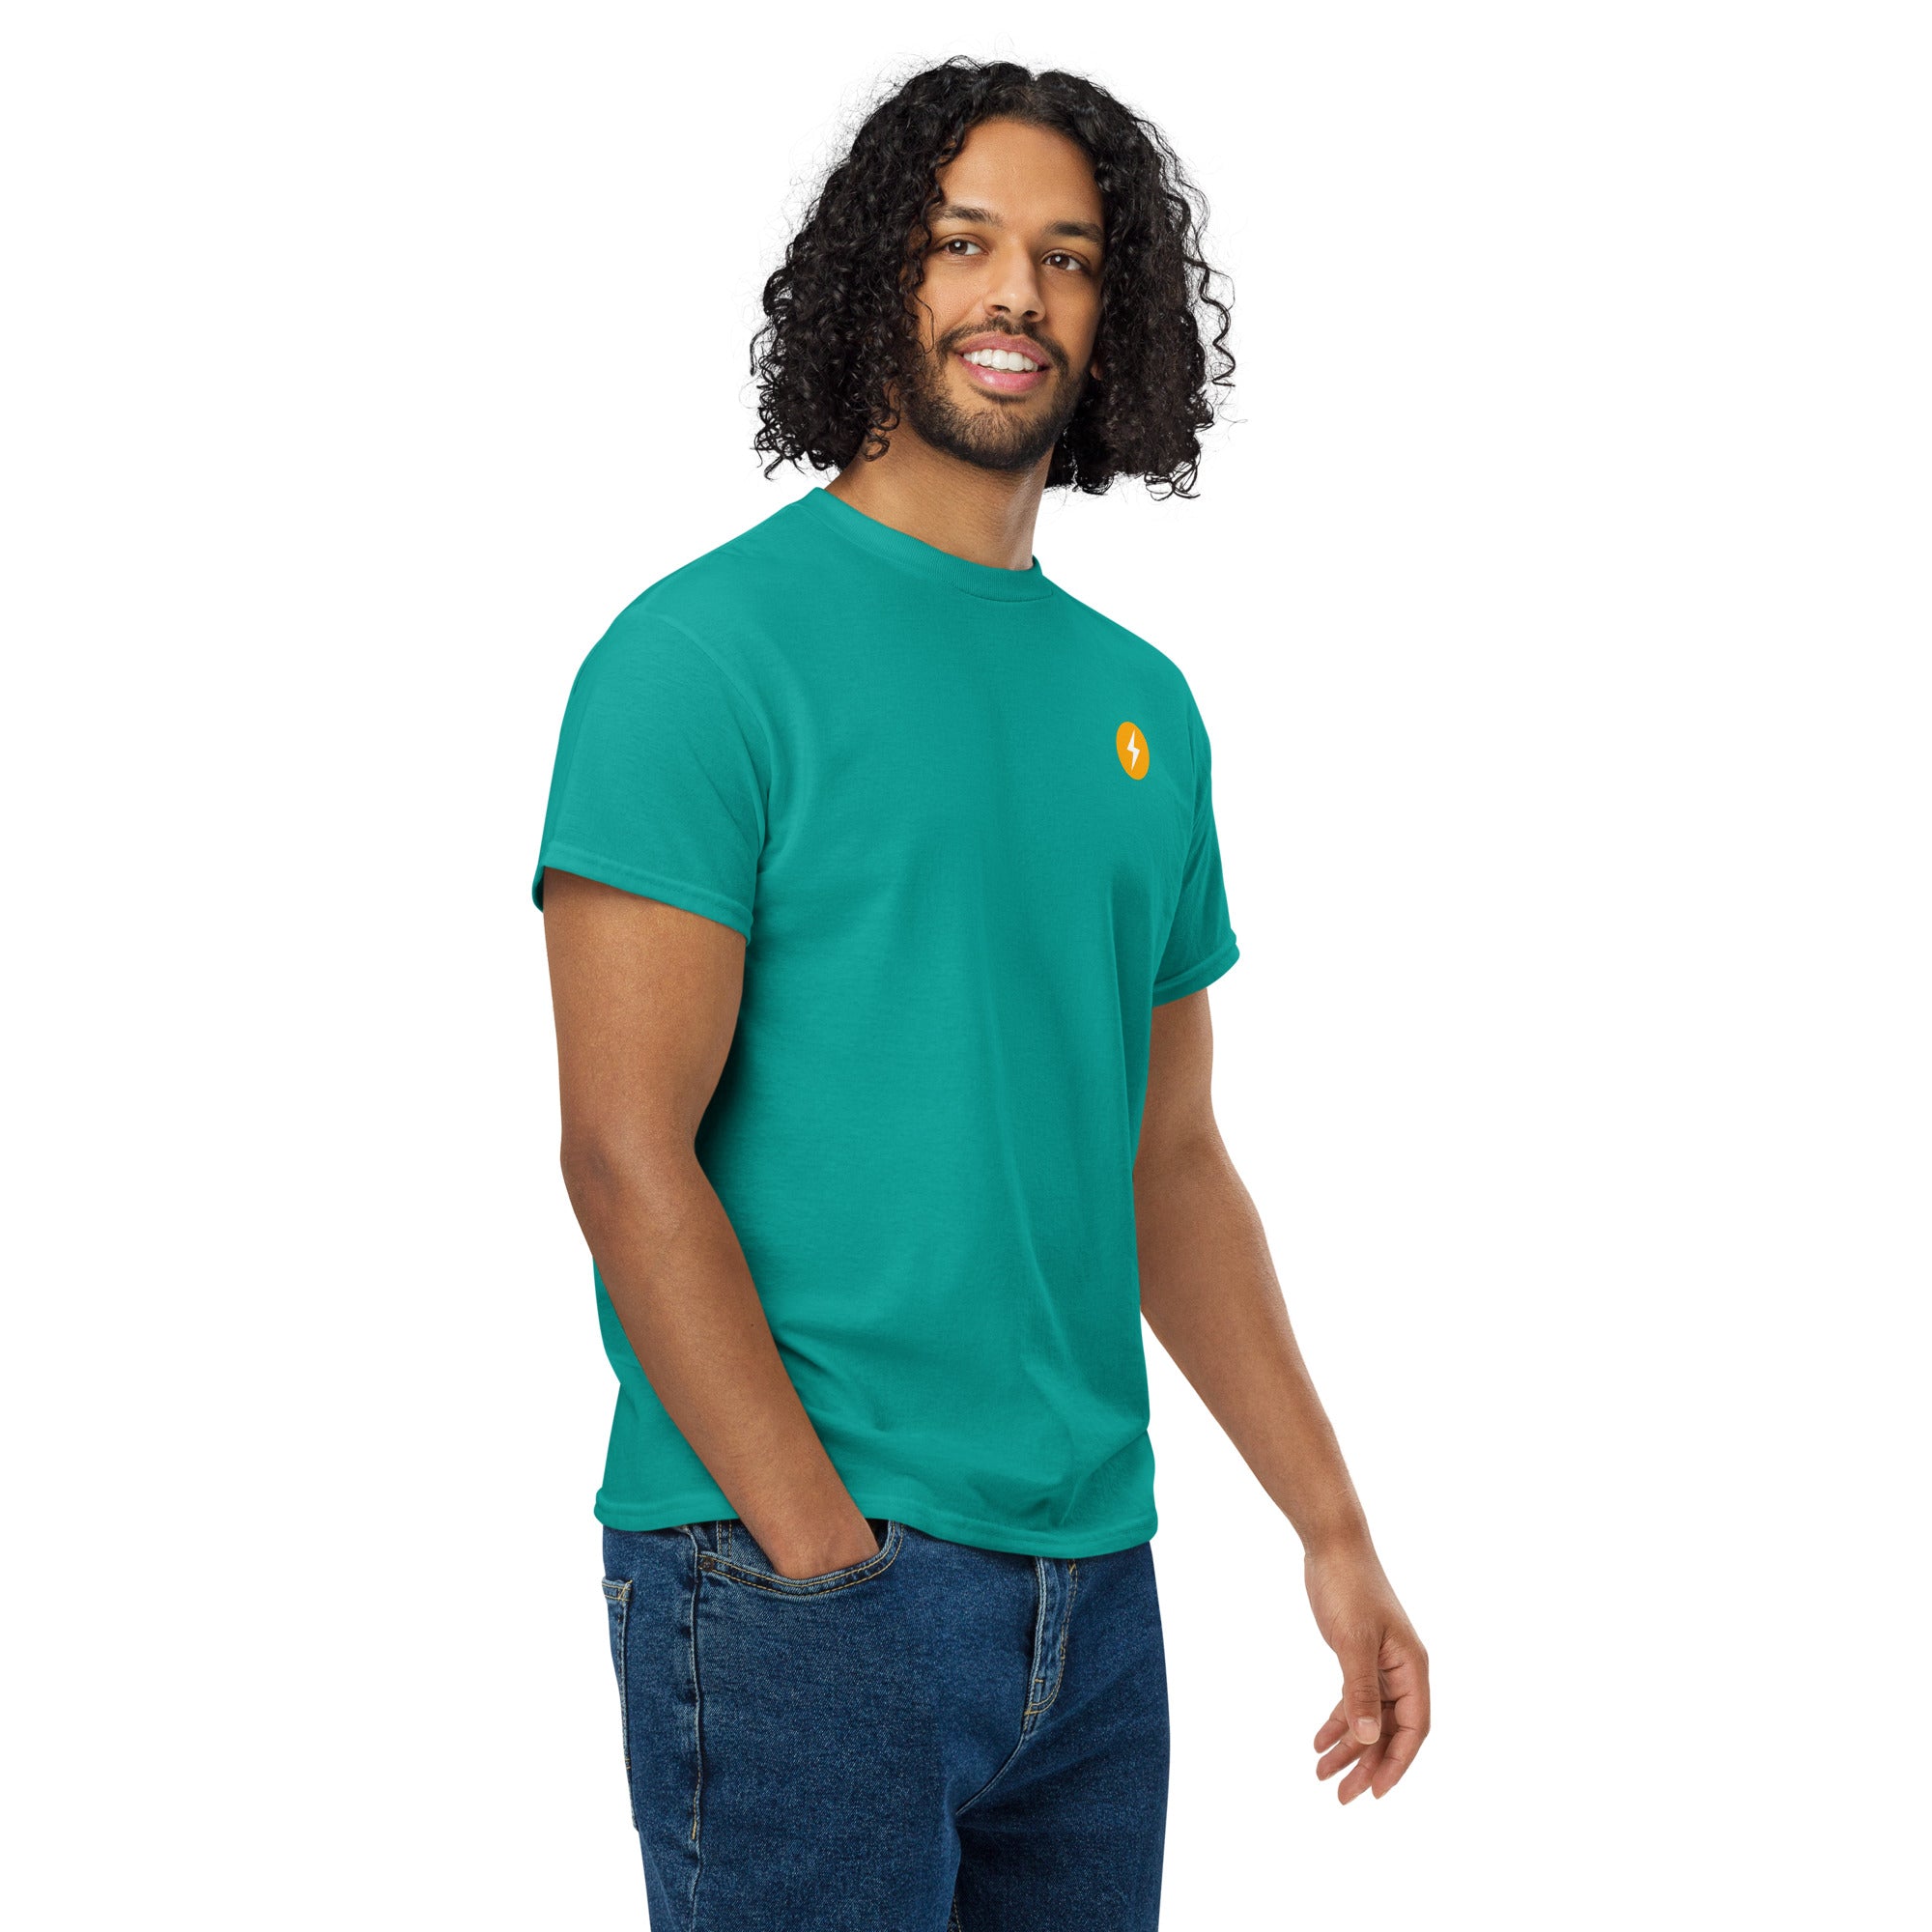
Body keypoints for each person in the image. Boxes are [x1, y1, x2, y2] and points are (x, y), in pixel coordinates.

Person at [533, 56, 1430, 1931]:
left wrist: (1330, 1526)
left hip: (1092, 1595)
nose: (1015, 291)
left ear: (1117, 315)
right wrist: (820, 1560)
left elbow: (1165, 1159)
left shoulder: (1141, 707)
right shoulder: (699, 658)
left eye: (1067, 256)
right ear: (882, 275)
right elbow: (624, 1155)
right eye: (962, 243)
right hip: (790, 1563)